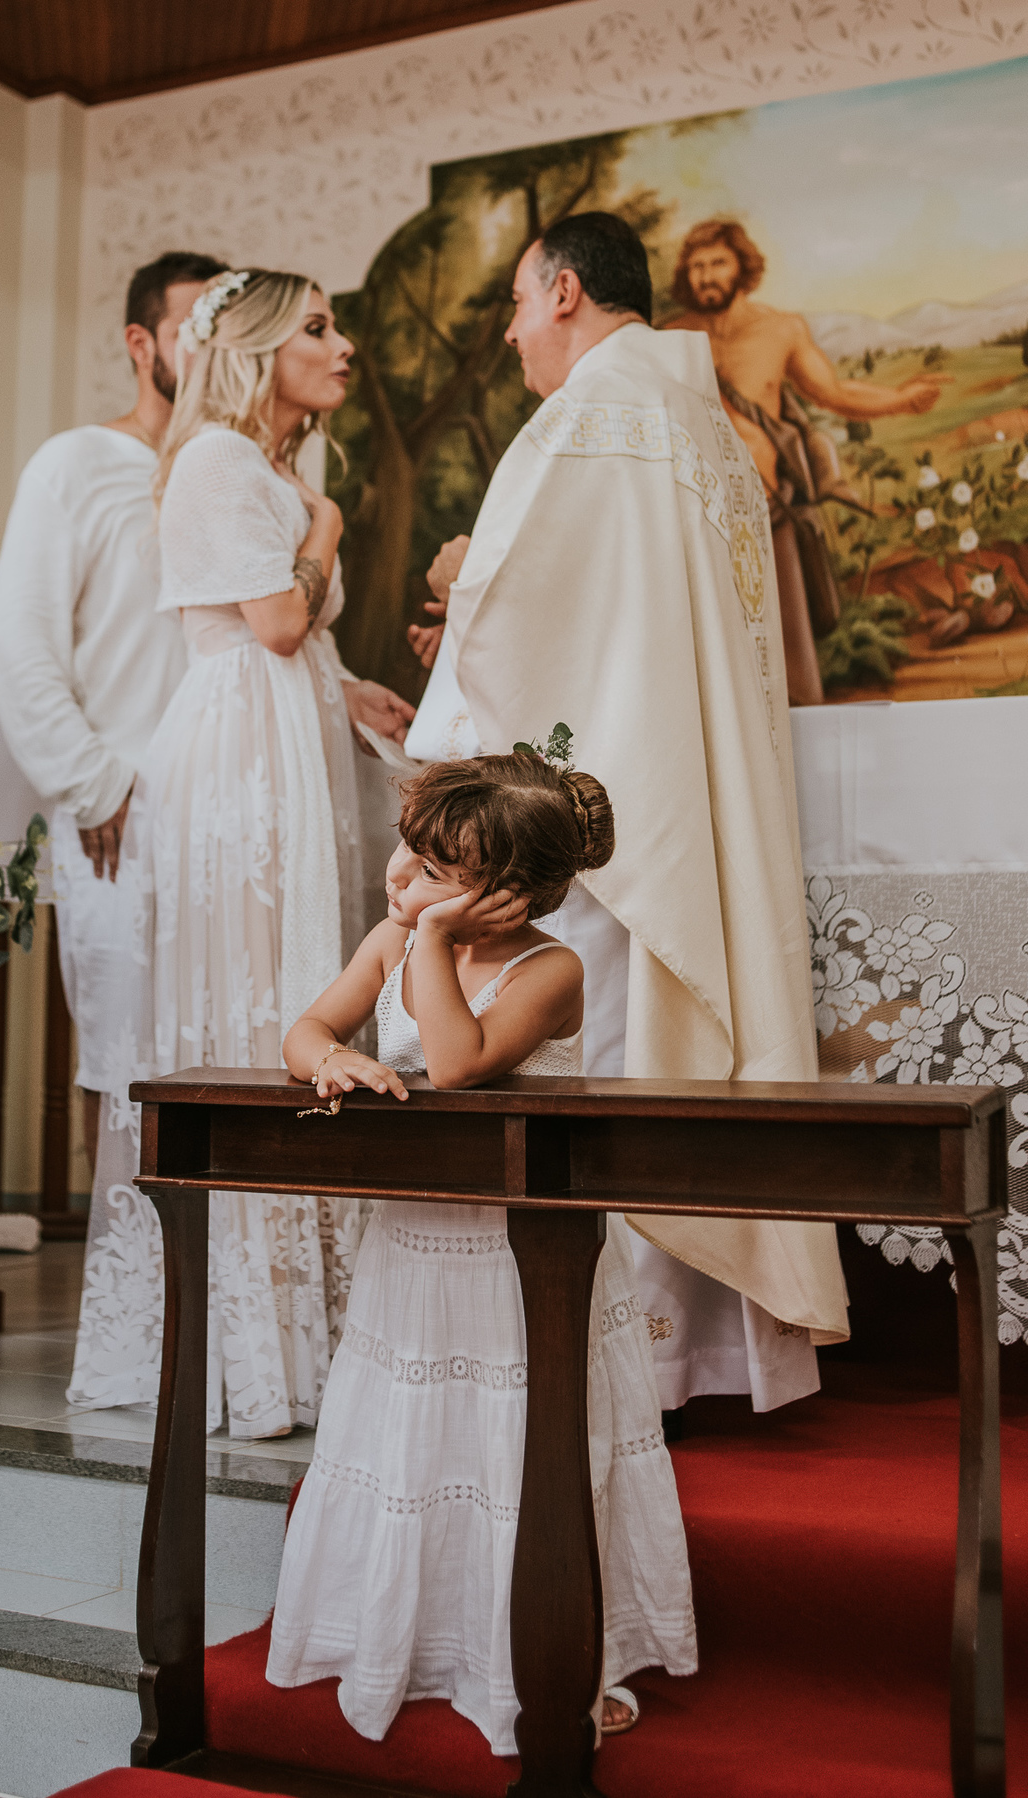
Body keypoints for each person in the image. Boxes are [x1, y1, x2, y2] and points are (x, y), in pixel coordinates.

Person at [408, 211, 849, 1415]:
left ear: (563, 291)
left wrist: (456, 585)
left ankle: (616, 1368)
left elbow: (521, 610)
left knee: (603, 1061)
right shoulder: (702, 422)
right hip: (671, 792)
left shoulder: (589, 419)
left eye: (516, 303)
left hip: (598, 825)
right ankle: (686, 1354)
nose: (511, 334)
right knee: (661, 1052)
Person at [267, 751, 695, 1751]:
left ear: (506, 896)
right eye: (407, 852)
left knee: (519, 1450)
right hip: (417, 1246)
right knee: (422, 1440)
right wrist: (333, 1057)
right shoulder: (391, 937)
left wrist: (432, 935)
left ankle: (552, 1660)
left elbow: (457, 1065)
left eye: (433, 871)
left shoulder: (549, 970)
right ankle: (420, 1640)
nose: (399, 878)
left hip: (521, 1257)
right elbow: (307, 1027)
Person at [66, 268, 414, 1435]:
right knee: (255, 1004)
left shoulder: (267, 470)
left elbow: (291, 637)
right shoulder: (219, 458)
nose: (342, 344)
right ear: (258, 349)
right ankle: (245, 1336)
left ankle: (304, 1321)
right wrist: (328, 528)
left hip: (284, 742)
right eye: (317, 326)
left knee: (295, 984)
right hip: (237, 767)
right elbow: (272, 622)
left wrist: (351, 692)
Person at [0, 249, 228, 1168]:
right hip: (118, 815)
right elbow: (19, 643)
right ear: (140, 342)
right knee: (122, 1061)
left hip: (225, 816)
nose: (209, 348)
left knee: (220, 1052)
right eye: (190, 329)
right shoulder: (74, 464)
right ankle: (123, 1251)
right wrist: (96, 785)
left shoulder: (233, 471)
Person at [666, 219, 947, 705]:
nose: (706, 276)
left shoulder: (779, 330)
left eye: (717, 263)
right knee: (706, 660)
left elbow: (834, 393)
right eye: (697, 266)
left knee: (790, 657)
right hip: (694, 515)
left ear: (742, 267)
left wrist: (901, 400)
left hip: (767, 509)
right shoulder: (670, 336)